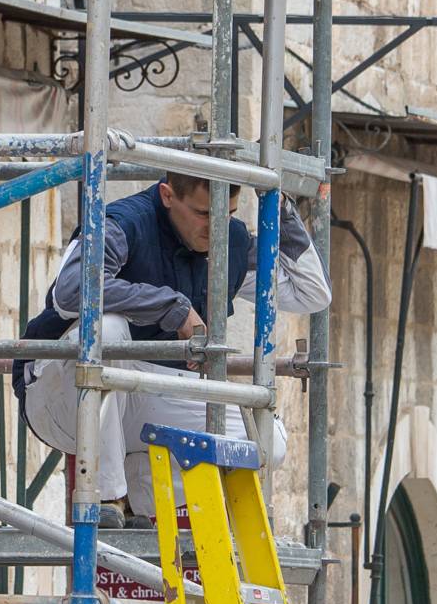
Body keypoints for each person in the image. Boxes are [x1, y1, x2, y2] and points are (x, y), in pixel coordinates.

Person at [17, 173, 330, 522]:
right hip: (62, 395)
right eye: (202, 214)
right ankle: (104, 496)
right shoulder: (123, 223)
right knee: (107, 328)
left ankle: (136, 494)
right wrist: (172, 307)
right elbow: (70, 291)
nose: (215, 228)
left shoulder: (230, 242)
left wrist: (281, 210)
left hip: (143, 395)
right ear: (167, 196)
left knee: (266, 442)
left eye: (225, 214)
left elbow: (311, 294)